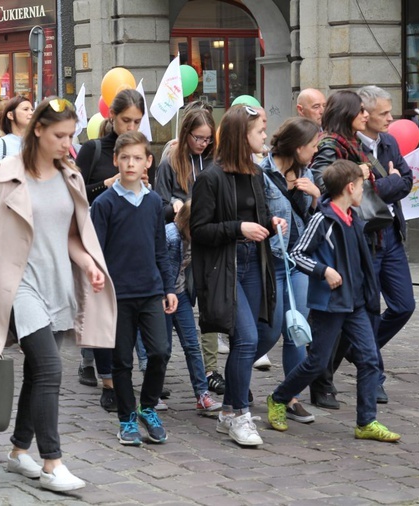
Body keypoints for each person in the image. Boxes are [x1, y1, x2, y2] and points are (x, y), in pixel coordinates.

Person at [0, 97, 115, 492]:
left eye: (71, 135)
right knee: (49, 368)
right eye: (60, 135)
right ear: (39, 131)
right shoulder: (5, 174)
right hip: (19, 284)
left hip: (57, 282)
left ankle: (17, 451)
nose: (69, 143)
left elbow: (71, 236)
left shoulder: (71, 176)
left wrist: (90, 265)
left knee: (36, 370)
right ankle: (52, 462)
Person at [266, 160, 401, 443]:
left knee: (369, 358)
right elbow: (298, 253)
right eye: (362, 186)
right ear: (350, 187)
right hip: (329, 305)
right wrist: (323, 271)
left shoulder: (355, 217)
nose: (364, 191)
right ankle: (278, 398)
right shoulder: (323, 219)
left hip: (355, 303)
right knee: (316, 363)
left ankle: (366, 422)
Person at [191, 105, 285, 447]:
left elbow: (259, 217)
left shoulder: (256, 174)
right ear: (240, 136)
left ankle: (229, 409)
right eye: (259, 131)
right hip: (225, 267)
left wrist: (271, 224)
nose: (265, 136)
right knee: (244, 338)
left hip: (254, 262)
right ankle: (240, 415)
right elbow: (198, 230)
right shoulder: (210, 178)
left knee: (268, 330)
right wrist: (237, 228)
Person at [91, 130, 177, 446]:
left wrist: (168, 287)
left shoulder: (154, 202)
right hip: (118, 294)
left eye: (137, 158)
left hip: (151, 289)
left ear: (147, 163)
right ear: (116, 160)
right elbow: (95, 251)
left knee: (160, 351)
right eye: (125, 157)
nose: (130, 163)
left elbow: (160, 248)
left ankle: (147, 407)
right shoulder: (104, 203)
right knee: (122, 361)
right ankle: (127, 418)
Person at [75, 89, 147, 410]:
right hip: (94, 240)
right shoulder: (93, 150)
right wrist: (106, 184)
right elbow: (74, 193)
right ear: (112, 118)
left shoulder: (143, 154)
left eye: (137, 120)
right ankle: (106, 379)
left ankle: (118, 370)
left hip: (131, 243)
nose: (131, 126)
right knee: (102, 312)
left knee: (127, 315)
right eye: (125, 120)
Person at [307, 89, 372, 409]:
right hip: (335, 237)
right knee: (335, 316)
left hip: (359, 232)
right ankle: (319, 379)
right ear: (347, 114)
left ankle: (330, 373)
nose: (366, 115)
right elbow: (321, 185)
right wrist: (354, 176)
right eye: (360, 111)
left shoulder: (357, 145)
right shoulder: (331, 146)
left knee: (361, 309)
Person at [154, 107, 225, 395]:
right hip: (179, 245)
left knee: (207, 306)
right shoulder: (170, 162)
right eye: (198, 138)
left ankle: (210, 370)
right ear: (186, 135)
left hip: (207, 243)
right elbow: (157, 207)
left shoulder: (213, 161)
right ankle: (156, 368)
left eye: (208, 139)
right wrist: (174, 207)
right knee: (178, 305)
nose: (203, 144)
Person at [256, 116, 321, 424]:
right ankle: (238, 372)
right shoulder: (261, 172)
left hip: (298, 261)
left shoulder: (309, 174)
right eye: (312, 146)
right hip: (270, 261)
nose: (316, 152)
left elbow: (316, 223)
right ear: (297, 147)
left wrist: (315, 197)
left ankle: (289, 397)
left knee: (297, 330)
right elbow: (255, 215)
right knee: (268, 332)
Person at [354, 85, 415, 403]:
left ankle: (361, 349)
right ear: (364, 115)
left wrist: (386, 184)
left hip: (391, 233)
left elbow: (408, 180)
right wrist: (390, 182)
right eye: (384, 113)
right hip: (366, 237)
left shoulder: (389, 142)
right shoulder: (350, 148)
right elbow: (361, 194)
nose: (391, 118)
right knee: (371, 309)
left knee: (404, 305)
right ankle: (373, 374)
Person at [164, 199, 222, 415]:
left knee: (191, 345)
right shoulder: (170, 236)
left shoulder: (195, 239)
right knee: (163, 348)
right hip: (164, 295)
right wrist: (164, 294)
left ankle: (202, 394)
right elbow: (160, 267)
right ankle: (151, 395)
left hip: (180, 295)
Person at [0, 95, 34, 192]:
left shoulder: (38, 144)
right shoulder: (0, 145)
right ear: (10, 115)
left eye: (32, 109)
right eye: (26, 109)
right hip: (7, 204)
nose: (31, 113)